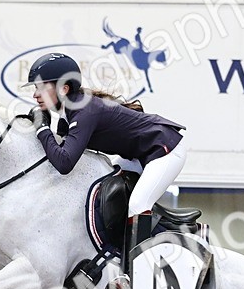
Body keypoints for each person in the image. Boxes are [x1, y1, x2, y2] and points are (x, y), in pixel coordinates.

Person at [24, 52, 188, 217]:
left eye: (41, 88)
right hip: (138, 156)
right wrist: (43, 128)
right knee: (106, 193)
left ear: (64, 89)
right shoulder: (67, 115)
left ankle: (153, 241)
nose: (35, 95)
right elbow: (57, 155)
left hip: (164, 148)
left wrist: (42, 128)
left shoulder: (84, 112)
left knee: (137, 206)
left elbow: (64, 164)